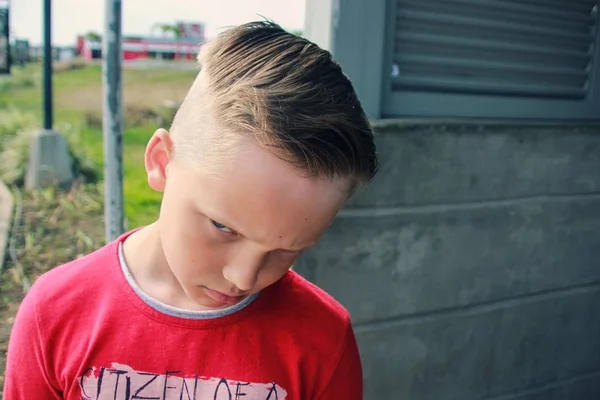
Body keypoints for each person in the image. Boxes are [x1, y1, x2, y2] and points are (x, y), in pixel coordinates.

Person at [3, 21, 378, 399]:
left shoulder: (324, 340)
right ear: (162, 162)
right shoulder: (55, 313)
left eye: (288, 250)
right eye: (222, 227)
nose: (244, 277)